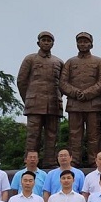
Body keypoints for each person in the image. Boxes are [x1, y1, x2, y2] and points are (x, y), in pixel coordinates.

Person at [60, 32, 101, 167]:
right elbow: (62, 83)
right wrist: (75, 93)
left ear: (91, 44)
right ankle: (74, 161)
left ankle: (94, 162)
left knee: (94, 135)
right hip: (75, 104)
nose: (83, 44)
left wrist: (88, 93)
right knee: (74, 135)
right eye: (80, 42)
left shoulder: (99, 62)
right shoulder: (70, 62)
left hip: (93, 104)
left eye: (86, 42)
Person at [17, 31, 64, 168]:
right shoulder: (30, 59)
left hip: (53, 104)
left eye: (49, 41)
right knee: (33, 135)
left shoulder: (58, 62)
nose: (46, 43)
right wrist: (28, 99)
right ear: (38, 43)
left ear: (53, 43)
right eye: (44, 40)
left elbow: (63, 84)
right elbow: (21, 81)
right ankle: (30, 163)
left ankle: (50, 162)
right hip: (34, 104)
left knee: (52, 135)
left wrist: (58, 96)